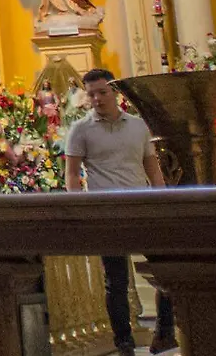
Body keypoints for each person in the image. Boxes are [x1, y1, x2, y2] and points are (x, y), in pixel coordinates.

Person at [65, 69, 175, 356]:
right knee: (116, 280)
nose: (97, 98)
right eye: (91, 94)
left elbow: (152, 166)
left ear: (115, 92)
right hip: (106, 211)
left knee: (167, 270)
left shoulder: (138, 126)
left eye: (103, 92)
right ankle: (124, 343)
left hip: (142, 207)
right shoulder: (80, 130)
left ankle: (164, 332)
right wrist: (78, 209)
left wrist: (163, 200)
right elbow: (73, 174)